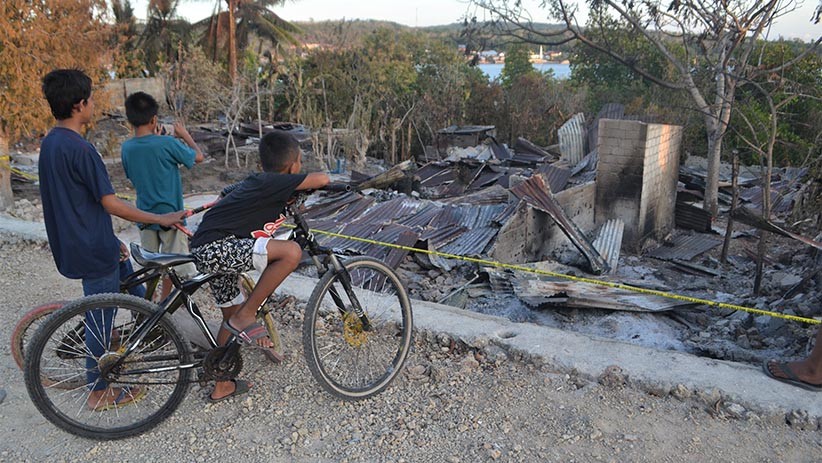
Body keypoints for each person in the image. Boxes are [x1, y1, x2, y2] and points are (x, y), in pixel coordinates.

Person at [39, 69, 185, 411]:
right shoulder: (82, 149)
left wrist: (111, 238)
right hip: (93, 248)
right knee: (100, 321)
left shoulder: (50, 143)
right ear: (80, 104)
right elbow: (110, 203)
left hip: (81, 242)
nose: (93, 106)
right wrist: (160, 218)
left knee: (138, 296)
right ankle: (98, 389)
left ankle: (139, 344)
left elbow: (74, 201)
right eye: (90, 100)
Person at [190, 130, 329, 402]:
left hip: (211, 247)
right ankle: (248, 315)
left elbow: (228, 193)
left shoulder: (261, 184)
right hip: (217, 248)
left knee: (230, 319)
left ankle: (222, 383)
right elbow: (323, 178)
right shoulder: (272, 181)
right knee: (290, 252)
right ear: (293, 166)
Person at [121, 91, 204, 300]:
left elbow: (132, 175)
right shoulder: (167, 144)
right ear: (154, 119)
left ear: (130, 120)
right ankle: (166, 303)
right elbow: (199, 157)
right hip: (172, 217)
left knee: (151, 265)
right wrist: (184, 135)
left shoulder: (127, 148)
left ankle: (148, 303)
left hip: (145, 216)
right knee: (174, 265)